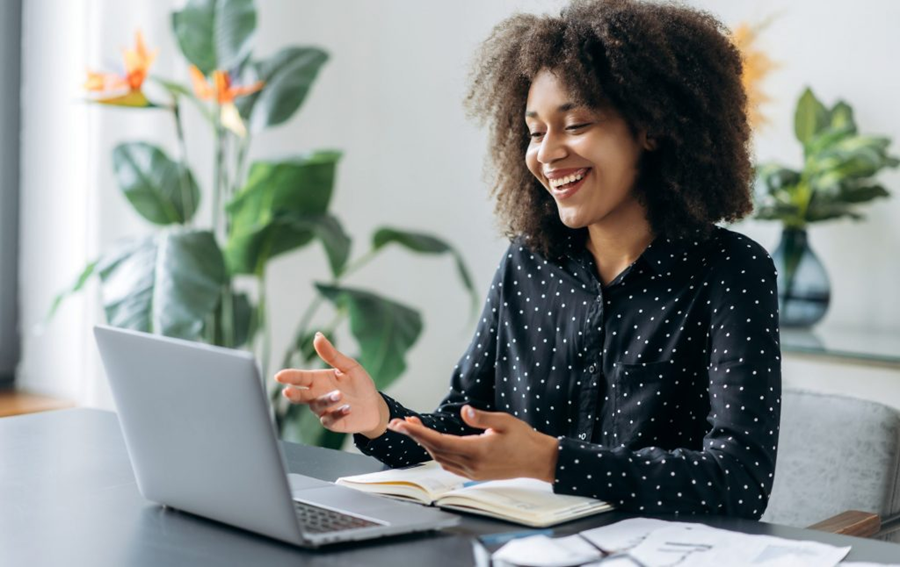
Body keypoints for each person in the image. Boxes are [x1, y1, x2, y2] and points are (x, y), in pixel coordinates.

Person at [275, 0, 781, 519]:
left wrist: (553, 461)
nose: (546, 152)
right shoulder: (528, 262)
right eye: (536, 132)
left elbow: (739, 482)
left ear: (651, 128)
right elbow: (465, 426)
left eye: (576, 124)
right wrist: (379, 418)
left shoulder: (731, 271)